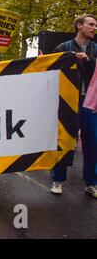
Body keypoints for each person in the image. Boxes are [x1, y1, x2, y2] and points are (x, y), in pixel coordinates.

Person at [51, 14, 97, 199]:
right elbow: (51, 69)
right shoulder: (64, 48)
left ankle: (91, 184)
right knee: (65, 141)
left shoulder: (95, 49)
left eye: (95, 25)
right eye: (91, 24)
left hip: (91, 103)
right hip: (69, 102)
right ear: (79, 26)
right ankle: (57, 180)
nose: (94, 28)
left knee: (93, 143)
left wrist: (89, 61)